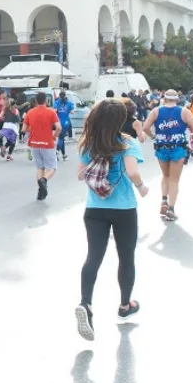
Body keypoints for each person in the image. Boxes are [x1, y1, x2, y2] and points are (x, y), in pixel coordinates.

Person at [74, 99, 148, 341]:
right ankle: (125, 305)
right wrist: (141, 187)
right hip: (124, 208)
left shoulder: (90, 143)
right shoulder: (128, 143)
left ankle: (86, 303)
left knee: (93, 256)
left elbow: (79, 175)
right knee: (126, 257)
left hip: (94, 208)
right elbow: (132, 171)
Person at [142, 90, 193, 222]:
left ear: (164, 99)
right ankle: (171, 210)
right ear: (177, 99)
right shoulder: (184, 111)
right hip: (178, 148)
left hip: (161, 148)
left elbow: (145, 127)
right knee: (174, 179)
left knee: (165, 175)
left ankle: (164, 200)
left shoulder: (156, 111)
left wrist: (153, 136)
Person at [23, 92, 61, 200]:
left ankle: (41, 191)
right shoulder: (51, 112)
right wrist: (54, 136)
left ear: (35, 100)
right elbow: (59, 127)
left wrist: (34, 129)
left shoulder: (30, 112)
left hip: (34, 143)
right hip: (47, 143)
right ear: (46, 101)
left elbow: (24, 129)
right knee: (52, 167)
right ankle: (44, 180)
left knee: (40, 167)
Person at [54, 91, 75, 161]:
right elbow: (72, 111)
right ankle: (57, 153)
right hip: (66, 123)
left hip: (58, 123)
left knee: (61, 138)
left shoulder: (57, 102)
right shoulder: (68, 103)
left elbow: (54, 111)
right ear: (65, 95)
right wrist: (68, 111)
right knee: (61, 138)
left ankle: (63, 155)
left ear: (59, 96)